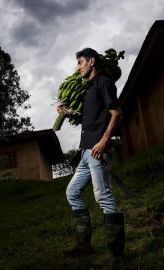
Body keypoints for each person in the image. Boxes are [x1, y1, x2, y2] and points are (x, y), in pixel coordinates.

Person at [59, 48, 125, 267]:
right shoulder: (88, 90)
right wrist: (66, 111)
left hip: (97, 150)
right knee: (72, 192)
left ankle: (115, 255)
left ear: (91, 62)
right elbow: (88, 118)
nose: (78, 67)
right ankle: (83, 244)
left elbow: (115, 114)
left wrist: (103, 141)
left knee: (103, 197)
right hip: (86, 153)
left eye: (80, 62)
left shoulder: (103, 83)